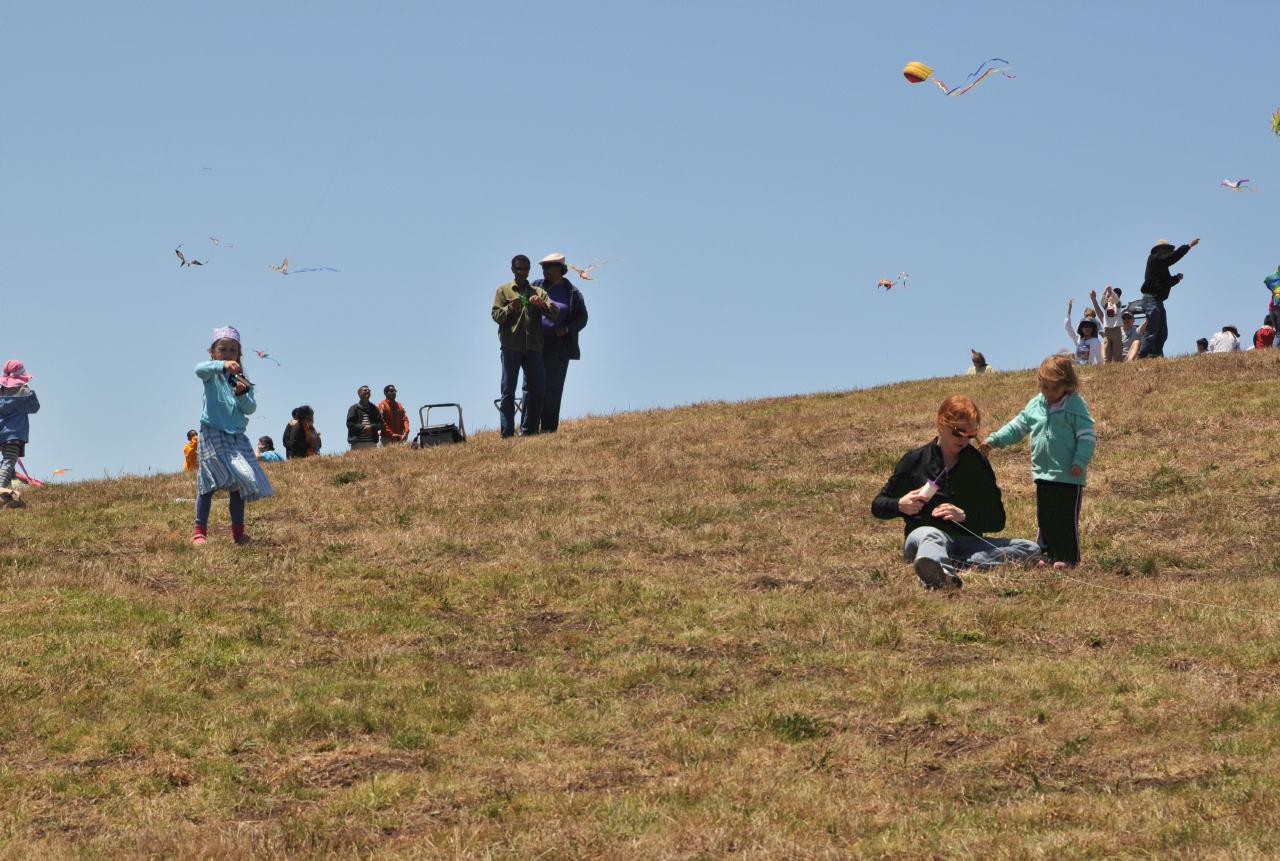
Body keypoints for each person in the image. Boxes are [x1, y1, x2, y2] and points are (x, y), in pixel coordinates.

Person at [871, 395, 1041, 590]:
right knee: (931, 535)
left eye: (970, 435)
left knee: (1030, 549)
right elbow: (877, 506)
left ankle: (943, 564)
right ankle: (939, 575)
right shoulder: (915, 460)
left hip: (967, 542)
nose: (964, 440)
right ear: (940, 424)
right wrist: (899, 504)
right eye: (958, 432)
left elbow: (997, 520)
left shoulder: (978, 463)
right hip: (924, 535)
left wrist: (964, 517)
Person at [981, 355, 1095, 569]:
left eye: (1054, 389)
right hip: (1043, 473)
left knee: (1065, 518)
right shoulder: (1036, 404)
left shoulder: (1075, 405)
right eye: (1045, 388)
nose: (1049, 394)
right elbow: (1017, 427)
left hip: (1070, 475)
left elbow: (1087, 437)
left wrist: (1080, 460)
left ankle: (1068, 557)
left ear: (1067, 385)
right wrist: (994, 440)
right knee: (1045, 516)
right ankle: (1045, 553)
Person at [192, 326, 273, 545]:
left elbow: (250, 409)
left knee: (239, 483)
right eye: (222, 349)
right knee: (207, 483)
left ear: (239, 355)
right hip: (212, 432)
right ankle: (199, 531)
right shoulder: (211, 374)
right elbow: (198, 369)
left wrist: (241, 394)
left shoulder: (242, 380)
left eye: (232, 351)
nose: (228, 354)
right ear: (213, 353)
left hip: (236, 436)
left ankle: (238, 534)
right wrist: (221, 366)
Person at [492, 254, 558, 437]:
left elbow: (555, 313)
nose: (522, 272)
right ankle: (507, 433)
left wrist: (542, 305)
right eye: (518, 268)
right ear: (513, 269)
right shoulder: (503, 290)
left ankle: (528, 431)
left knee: (536, 390)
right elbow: (496, 316)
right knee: (507, 391)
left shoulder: (537, 291)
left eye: (525, 268)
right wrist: (510, 307)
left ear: (529, 270)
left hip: (534, 347)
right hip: (511, 346)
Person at [532, 252, 588, 433]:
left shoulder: (572, 292)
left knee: (553, 389)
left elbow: (582, 318)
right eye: (543, 268)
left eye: (549, 267)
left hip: (559, 347)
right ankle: (530, 428)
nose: (545, 271)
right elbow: (523, 301)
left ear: (560, 270)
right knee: (533, 386)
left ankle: (548, 429)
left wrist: (568, 329)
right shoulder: (536, 286)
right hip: (535, 344)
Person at [1138, 237, 1200, 358]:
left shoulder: (1161, 265)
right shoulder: (1155, 258)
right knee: (1152, 330)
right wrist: (1188, 246)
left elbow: (1165, 282)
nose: (1169, 252)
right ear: (1161, 250)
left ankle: (1154, 356)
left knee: (1162, 332)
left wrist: (1176, 278)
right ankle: (1143, 356)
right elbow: (1172, 258)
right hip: (1151, 299)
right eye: (1167, 249)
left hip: (1157, 300)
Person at [0, 360, 40, 509]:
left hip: (1, 433)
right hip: (14, 435)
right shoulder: (25, 392)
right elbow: (35, 408)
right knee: (9, 460)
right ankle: (1, 487)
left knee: (6, 460)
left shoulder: (1, 391)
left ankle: (7, 495)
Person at [1089, 286, 1125, 363]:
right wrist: (1105, 292)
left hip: (1116, 329)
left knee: (1117, 350)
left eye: (1116, 295)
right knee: (1106, 349)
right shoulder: (1106, 307)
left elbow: (1117, 301)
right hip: (1107, 330)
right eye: (1109, 296)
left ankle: (1118, 363)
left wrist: (1111, 292)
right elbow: (1102, 302)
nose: (1112, 297)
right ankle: (1107, 364)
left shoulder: (1117, 306)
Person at [1064, 299, 1103, 365]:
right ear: (1081, 328)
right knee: (1067, 355)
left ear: (1093, 329)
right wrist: (1069, 309)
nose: (1087, 328)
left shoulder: (1095, 341)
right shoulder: (1078, 339)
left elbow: (1099, 360)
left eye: (1090, 327)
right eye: (1085, 326)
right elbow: (1068, 327)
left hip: (1088, 367)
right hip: (1078, 367)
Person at [346, 386, 383, 451]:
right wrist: (362, 427)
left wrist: (371, 427)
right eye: (365, 390)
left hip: (372, 443)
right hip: (357, 444)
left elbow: (380, 424)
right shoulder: (354, 408)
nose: (367, 391)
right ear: (359, 394)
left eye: (369, 390)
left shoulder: (374, 408)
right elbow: (349, 424)